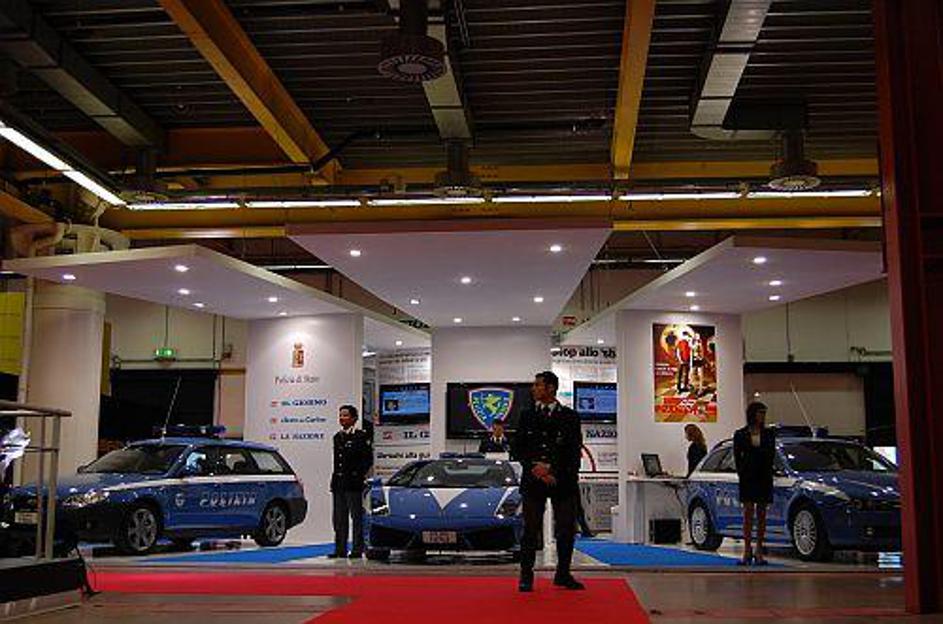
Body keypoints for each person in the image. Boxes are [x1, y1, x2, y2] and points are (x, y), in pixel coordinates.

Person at [511, 371, 585, 592]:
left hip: (562, 480)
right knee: (530, 530)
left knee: (566, 529)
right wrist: (535, 468)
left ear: (551, 388)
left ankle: (563, 574)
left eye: (538, 385)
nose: (533, 389)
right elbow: (517, 448)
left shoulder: (570, 417)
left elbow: (573, 452)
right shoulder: (526, 415)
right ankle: (526, 576)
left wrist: (552, 469)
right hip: (533, 480)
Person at [733, 402, 776, 566]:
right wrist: (742, 473)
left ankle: (759, 549)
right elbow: (737, 456)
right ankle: (746, 549)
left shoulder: (769, 433)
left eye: (764, 413)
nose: (763, 416)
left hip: (764, 476)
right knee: (748, 513)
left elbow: (771, 454)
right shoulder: (740, 434)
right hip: (748, 477)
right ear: (752, 414)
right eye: (760, 413)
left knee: (762, 514)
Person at [330, 404, 373, 559]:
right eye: (340, 415)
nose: (342, 418)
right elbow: (338, 462)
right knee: (339, 519)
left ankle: (357, 549)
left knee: (356, 518)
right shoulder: (337, 437)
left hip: (353, 483)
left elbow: (367, 460)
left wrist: (358, 475)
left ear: (354, 418)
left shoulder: (360, 436)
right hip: (339, 483)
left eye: (345, 415)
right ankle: (340, 549)